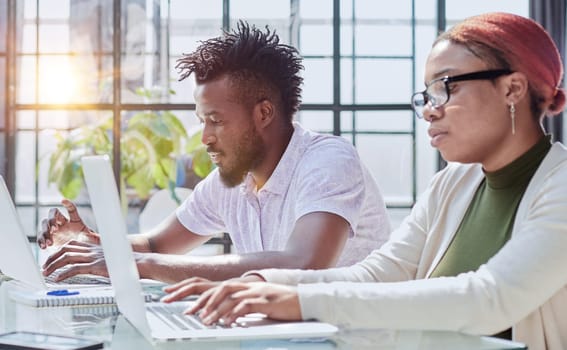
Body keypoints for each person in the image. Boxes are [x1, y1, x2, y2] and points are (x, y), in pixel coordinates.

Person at [165, 13, 567, 349]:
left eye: (445, 87)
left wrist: (299, 299)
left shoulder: (560, 185)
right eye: (425, 95)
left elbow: (490, 298)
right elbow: (376, 273)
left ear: (512, 88)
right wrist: (262, 282)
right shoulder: (451, 186)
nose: (429, 111)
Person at [37, 21, 391, 284]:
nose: (205, 137)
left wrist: (132, 264)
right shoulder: (229, 183)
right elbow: (157, 243)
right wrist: (95, 244)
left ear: (263, 113)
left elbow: (304, 264)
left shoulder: (328, 161)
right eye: (201, 121)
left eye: (216, 120)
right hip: (280, 332)